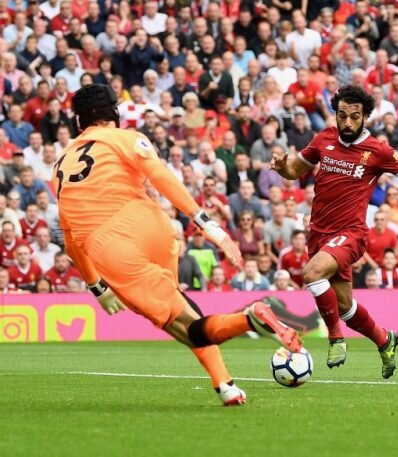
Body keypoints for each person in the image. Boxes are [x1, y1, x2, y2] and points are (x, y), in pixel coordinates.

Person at [54, 84, 302, 406]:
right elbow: (159, 174)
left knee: (189, 328)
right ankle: (225, 384)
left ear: (79, 122)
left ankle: (250, 318)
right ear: (114, 113)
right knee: (183, 307)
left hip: (112, 247)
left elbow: (71, 240)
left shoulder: (60, 166)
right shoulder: (126, 138)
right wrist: (202, 220)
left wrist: (97, 287)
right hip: (154, 224)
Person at [271, 85, 398, 377]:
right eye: (342, 115)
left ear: (365, 117)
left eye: (354, 117)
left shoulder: (377, 150)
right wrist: (283, 167)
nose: (347, 122)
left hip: (351, 233)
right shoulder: (323, 139)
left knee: (311, 274)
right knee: (345, 307)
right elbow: (294, 171)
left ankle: (336, 338)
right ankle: (385, 340)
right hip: (319, 234)